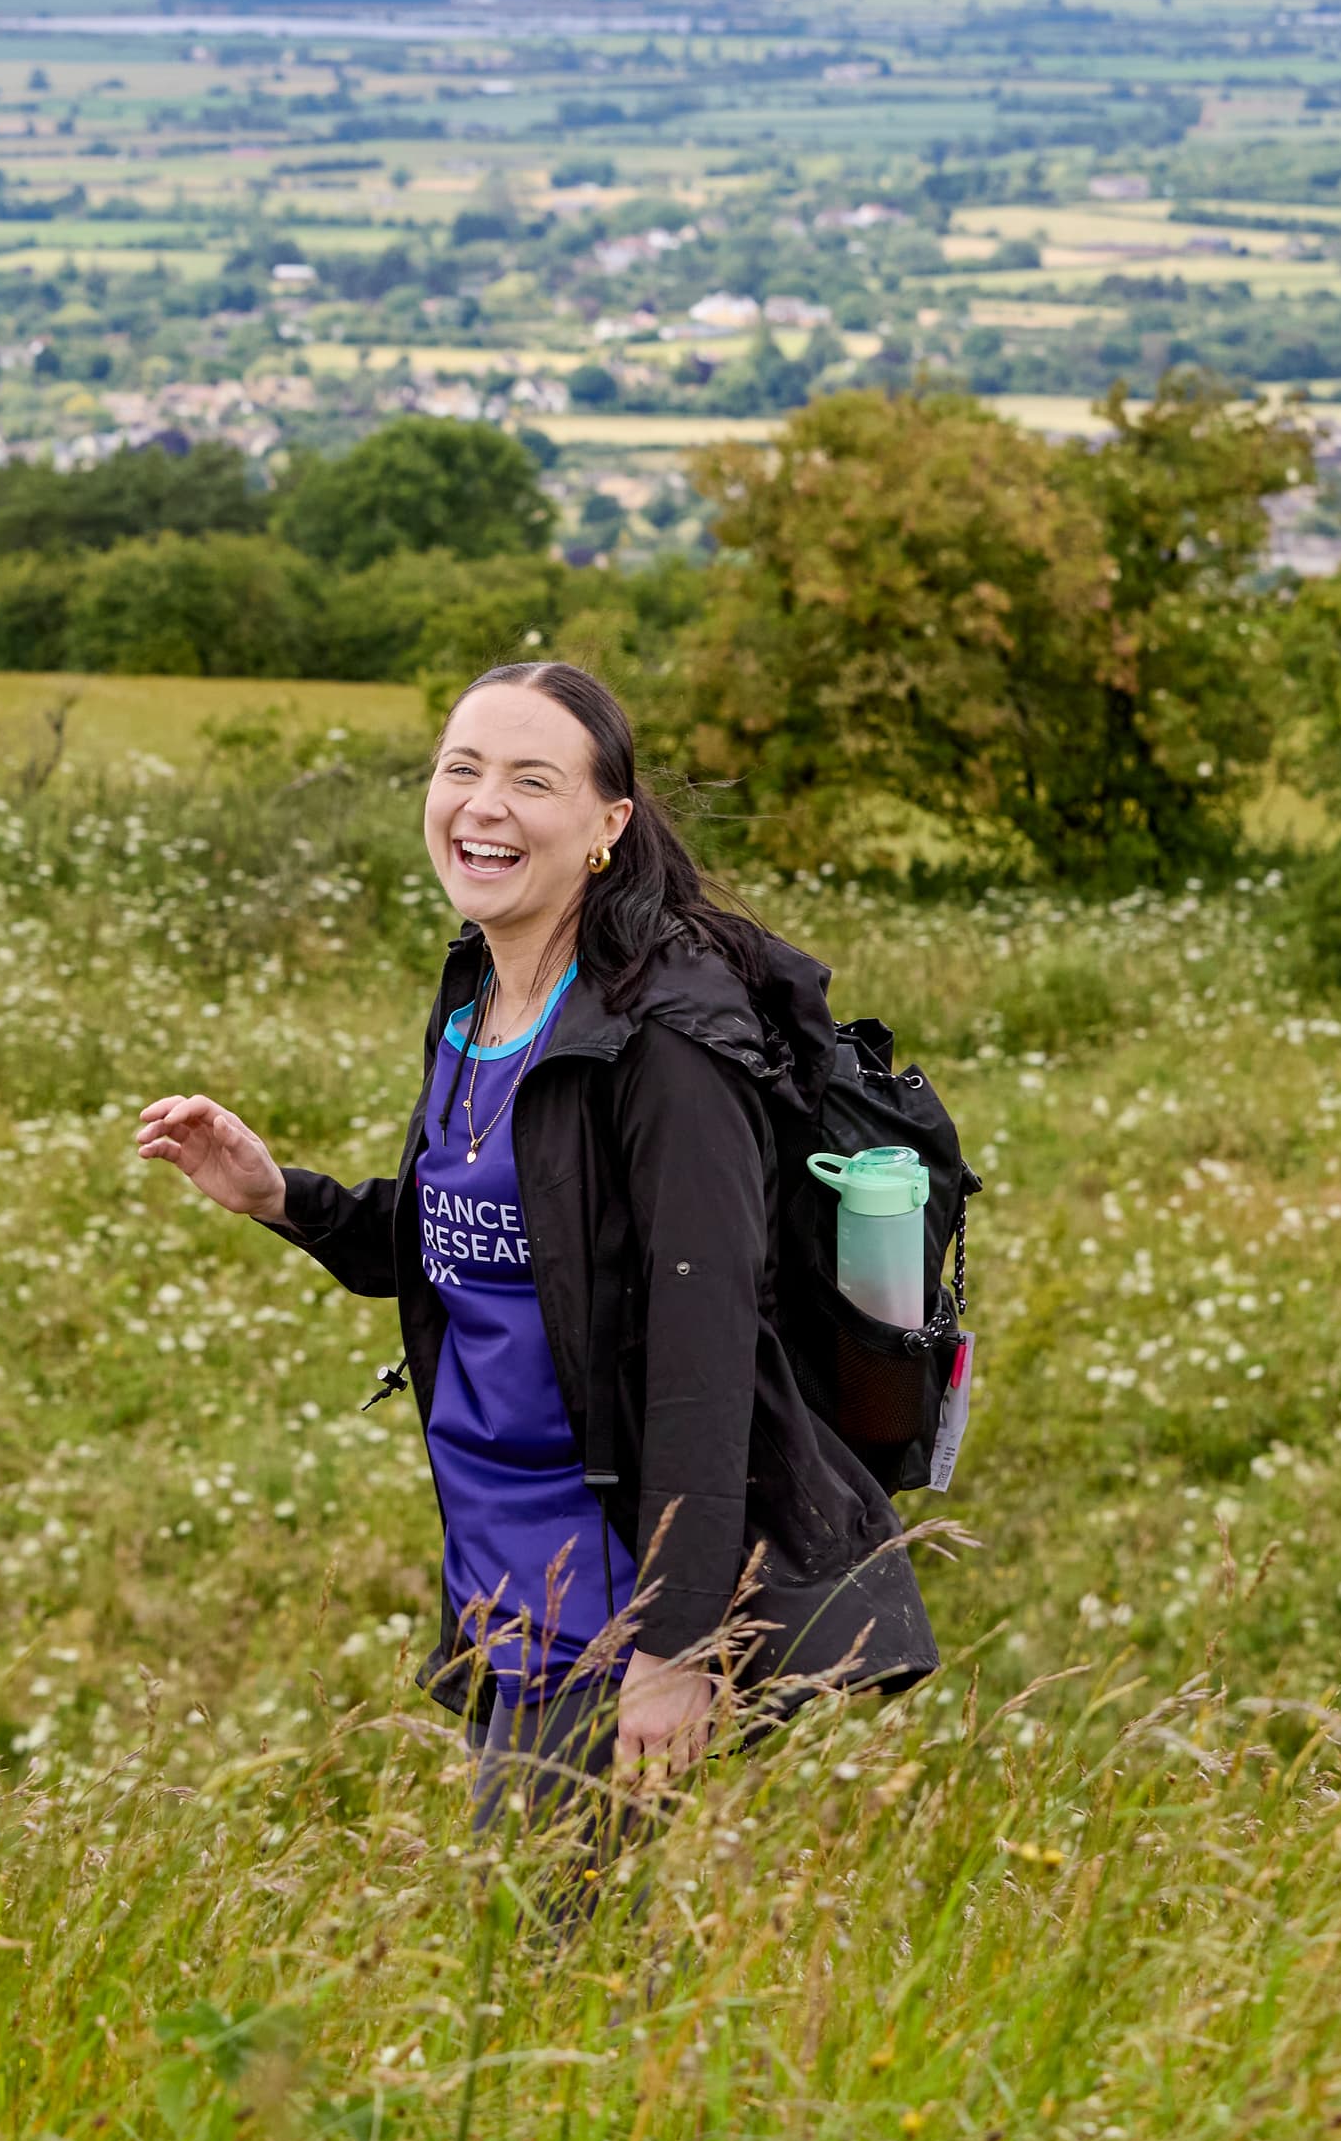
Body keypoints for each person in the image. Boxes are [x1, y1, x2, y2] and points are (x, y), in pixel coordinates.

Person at [136, 660, 934, 1831]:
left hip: (613, 1610)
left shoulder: (669, 1045)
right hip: (498, 1591)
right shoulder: (481, 994)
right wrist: (283, 1198)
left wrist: (674, 1647)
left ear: (607, 822)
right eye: (460, 769)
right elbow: (480, 1244)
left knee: (561, 1980)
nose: (482, 805)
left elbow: (705, 1356)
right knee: (548, 1967)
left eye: (531, 778)